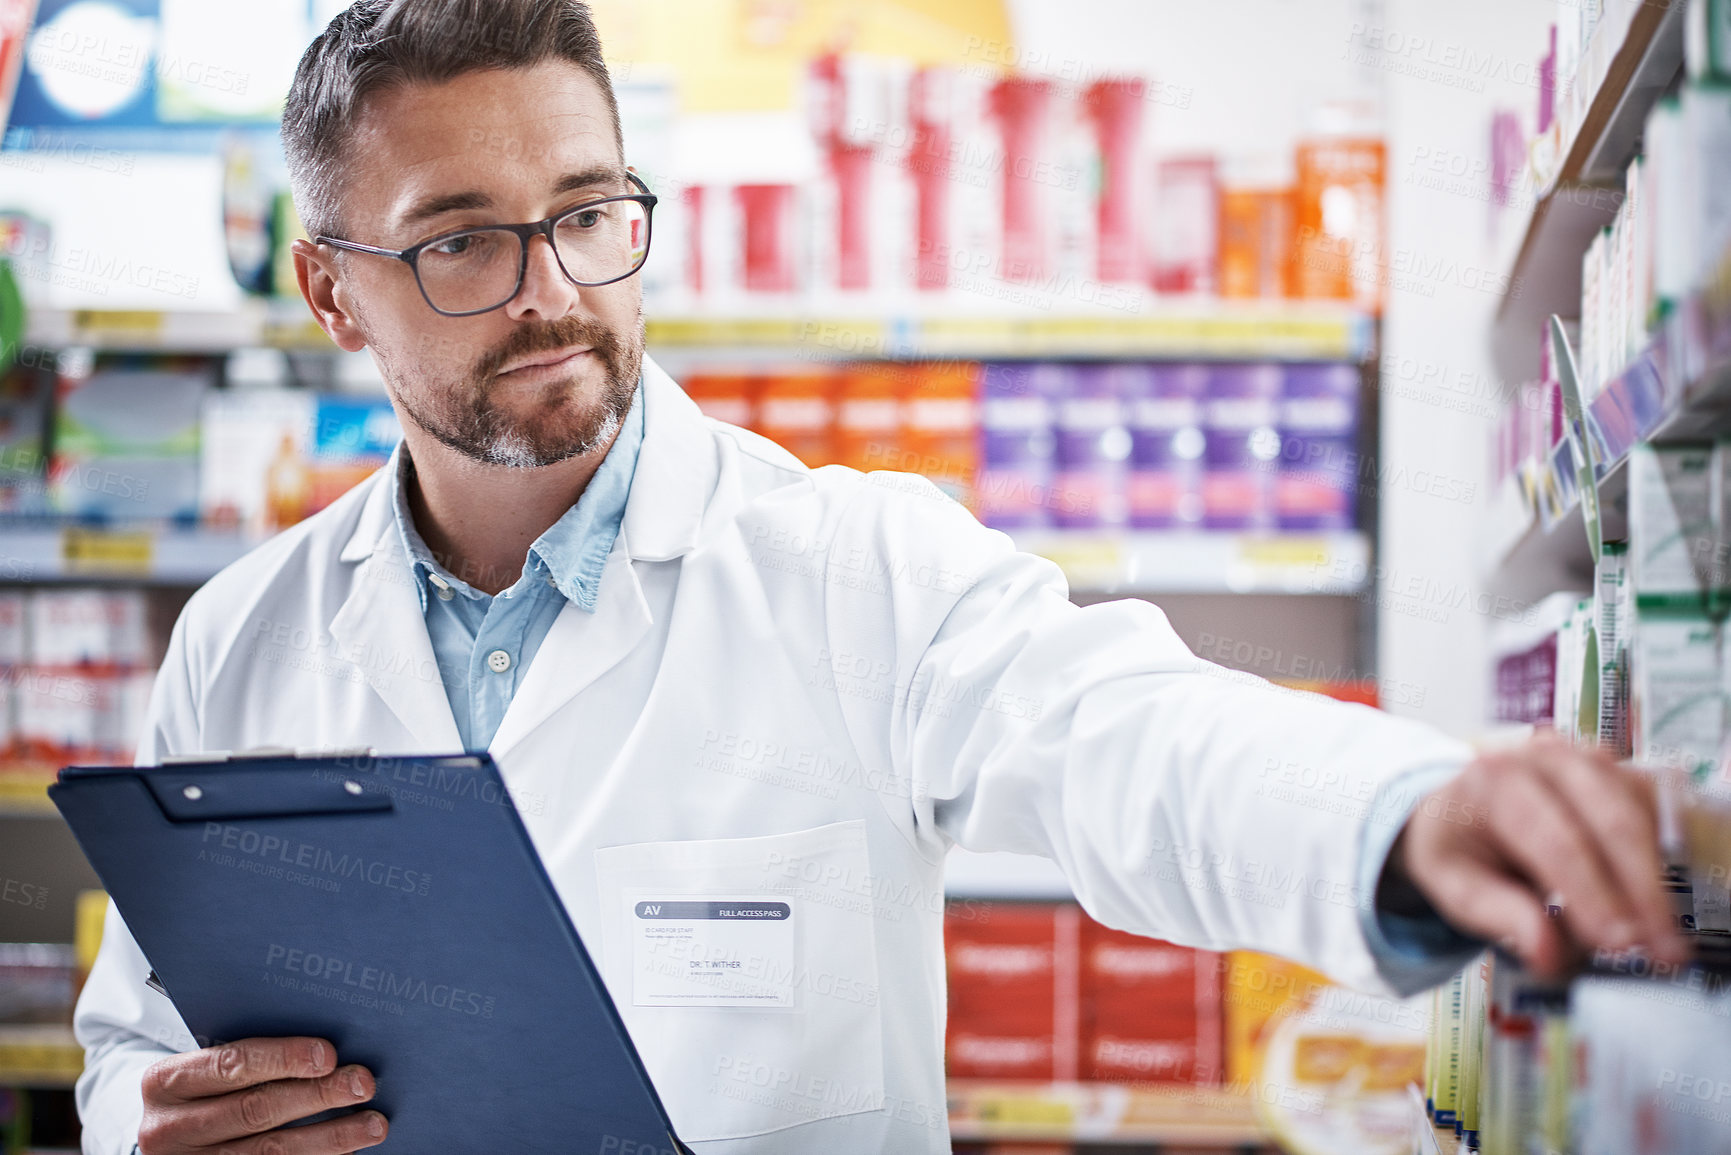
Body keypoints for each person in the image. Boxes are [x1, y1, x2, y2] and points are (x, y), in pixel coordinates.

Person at [72, 2, 1688, 1152]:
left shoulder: (852, 565)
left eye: (589, 214)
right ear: (331, 293)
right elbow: (137, 1030)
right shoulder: (245, 639)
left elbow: (1131, 735)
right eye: (463, 242)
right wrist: (156, 1123)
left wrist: (1401, 810)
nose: (555, 291)